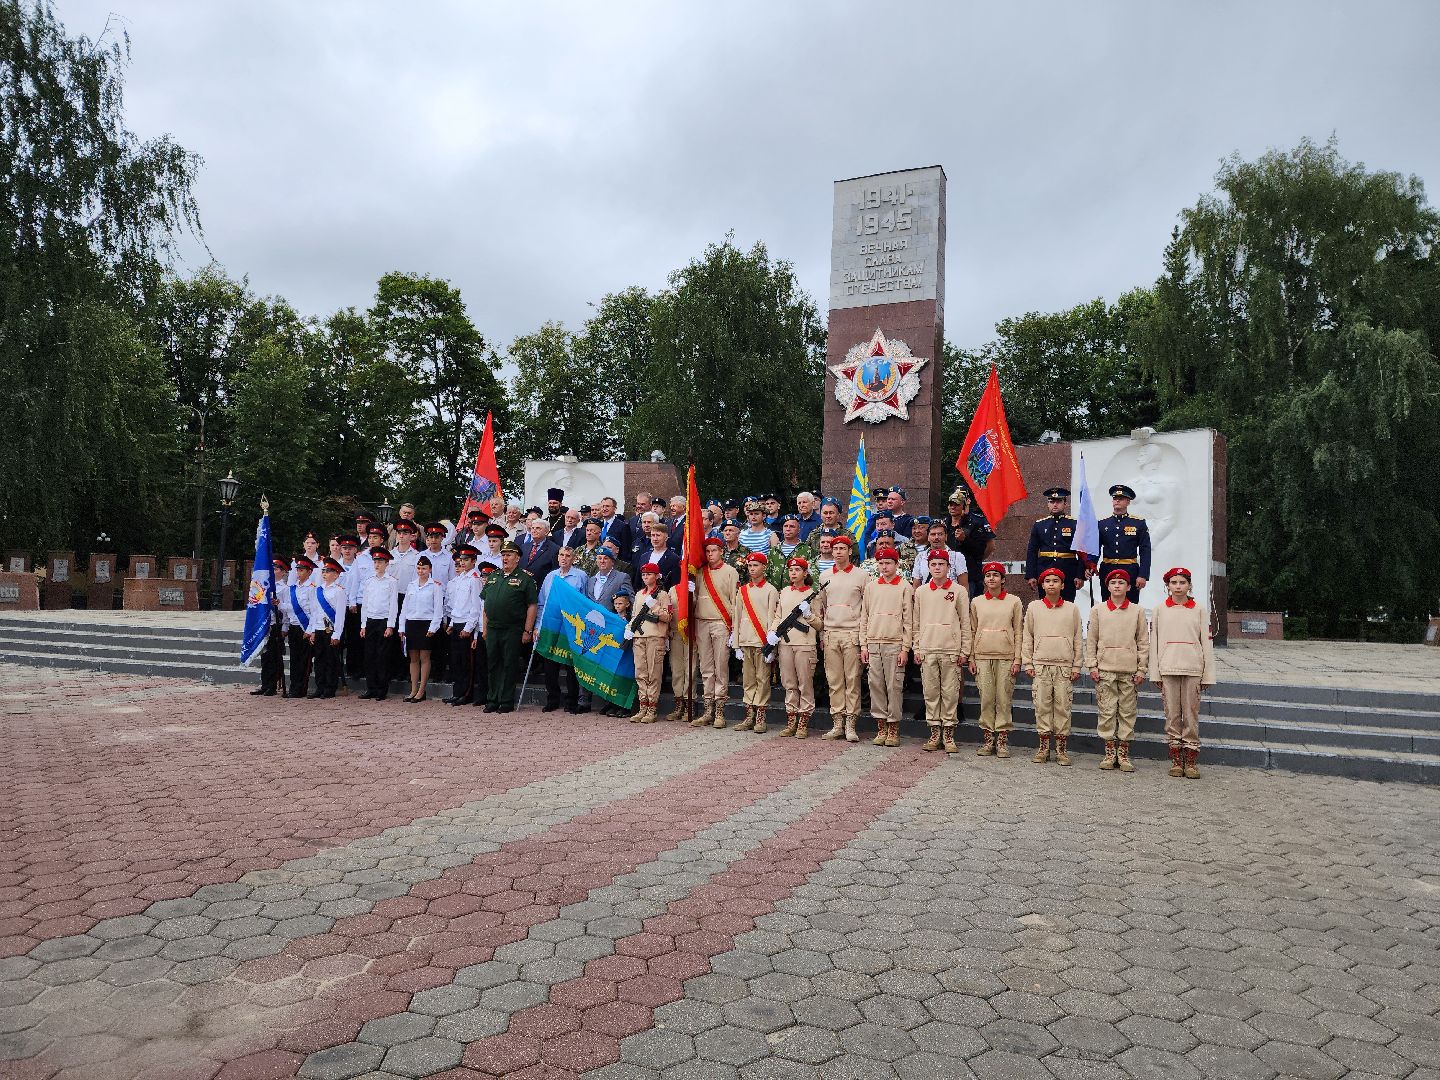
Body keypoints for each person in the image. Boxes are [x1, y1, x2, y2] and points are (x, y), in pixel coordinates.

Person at [1149, 567, 1216, 779]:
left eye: (1182, 583)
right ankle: (1176, 759)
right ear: (1167, 586)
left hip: (1193, 668)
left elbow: (1206, 643)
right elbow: (1155, 642)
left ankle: (1191, 759)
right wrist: (1155, 673)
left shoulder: (1199, 610)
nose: (1178, 587)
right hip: (1168, 667)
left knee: (1191, 714)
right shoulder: (1160, 609)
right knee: (1172, 715)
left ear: (1189, 585)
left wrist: (1207, 674)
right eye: (1174, 583)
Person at [1086, 568, 1148, 773]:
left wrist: (1141, 669)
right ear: (1108, 586)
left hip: (1129, 670)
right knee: (1107, 710)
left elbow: (1142, 642)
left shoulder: (1137, 611)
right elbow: (1092, 640)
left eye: (1122, 582)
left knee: (1128, 712)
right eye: (1113, 583)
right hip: (1105, 669)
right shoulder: (1098, 610)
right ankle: (1109, 752)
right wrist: (1092, 665)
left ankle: (1124, 754)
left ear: (1129, 587)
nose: (1117, 586)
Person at [912, 552, 973, 754]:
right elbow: (916, 622)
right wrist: (917, 647)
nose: (937, 567)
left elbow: (966, 622)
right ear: (928, 567)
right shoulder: (921, 592)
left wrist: (965, 650)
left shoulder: (958, 591)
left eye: (941, 564)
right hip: (928, 649)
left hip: (950, 650)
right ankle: (934, 733)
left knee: (950, 693)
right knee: (930, 693)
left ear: (948, 567)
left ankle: (948, 734)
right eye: (933, 564)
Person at [1022, 566, 1084, 766]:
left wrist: (1076, 666)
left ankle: (1061, 750)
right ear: (1042, 585)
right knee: (1042, 706)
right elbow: (1027, 636)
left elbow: (1077, 638)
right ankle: (1043, 748)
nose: (1051, 584)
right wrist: (1028, 661)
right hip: (1040, 664)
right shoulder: (1033, 607)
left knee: (1063, 707)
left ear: (1062, 585)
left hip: (1064, 666)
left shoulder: (1072, 608)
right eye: (1047, 581)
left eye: (1055, 581)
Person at [815, 534, 869, 743]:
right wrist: (822, 633)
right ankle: (837, 722)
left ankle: (851, 724)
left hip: (852, 633)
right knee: (834, 680)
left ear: (849, 551)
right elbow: (823, 607)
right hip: (831, 633)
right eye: (834, 548)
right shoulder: (824, 576)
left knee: (852, 680)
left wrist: (862, 638)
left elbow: (866, 608)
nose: (837, 552)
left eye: (841, 548)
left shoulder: (861, 576)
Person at [860, 546, 912, 748]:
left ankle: (893, 727)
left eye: (888, 563)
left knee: (894, 686)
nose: (884, 567)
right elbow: (864, 617)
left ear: (896, 564)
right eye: (880, 563)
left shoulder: (905, 587)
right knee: (876, 686)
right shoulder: (871, 587)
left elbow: (908, 621)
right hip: (874, 643)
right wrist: (864, 645)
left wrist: (905, 648)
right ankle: (880, 726)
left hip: (894, 644)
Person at [970, 562, 1023, 758]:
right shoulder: (976, 602)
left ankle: (1002, 741)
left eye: (996, 575)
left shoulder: (1014, 602)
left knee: (1003, 699)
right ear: (984, 580)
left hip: (1006, 656)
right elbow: (972, 630)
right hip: (983, 656)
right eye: (988, 575)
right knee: (986, 699)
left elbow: (1018, 631)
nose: (991, 578)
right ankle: (987, 739)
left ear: (1003, 579)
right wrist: (971, 657)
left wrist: (1018, 659)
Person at [767, 557, 822, 739]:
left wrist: (809, 615)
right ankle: (791, 720)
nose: (793, 573)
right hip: (786, 643)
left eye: (798, 570)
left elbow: (820, 624)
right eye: (791, 570)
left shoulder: (813, 594)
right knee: (789, 683)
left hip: (805, 644)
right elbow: (779, 615)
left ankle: (803, 721)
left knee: (804, 683)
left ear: (805, 573)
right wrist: (773, 632)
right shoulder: (784, 592)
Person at [481, 541, 538, 713]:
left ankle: (505, 701)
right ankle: (492, 699)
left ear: (517, 558)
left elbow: (532, 606)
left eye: (509, 555)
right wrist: (485, 628)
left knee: (509, 664)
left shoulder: (525, 579)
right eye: (503, 555)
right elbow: (486, 605)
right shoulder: (493, 577)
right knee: (492, 664)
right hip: (493, 628)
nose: (505, 558)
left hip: (513, 628)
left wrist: (527, 630)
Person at [694, 536, 738, 728]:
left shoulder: (731, 572)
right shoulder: (699, 572)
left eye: (714, 550)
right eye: (708, 551)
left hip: (721, 622)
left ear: (721, 551)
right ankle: (707, 709)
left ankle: (720, 710)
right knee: (706, 668)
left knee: (721, 666)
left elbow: (735, 603)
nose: (710, 554)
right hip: (701, 621)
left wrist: (734, 628)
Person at [733, 552, 779, 733]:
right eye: (750, 566)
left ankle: (761, 717)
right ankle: (749, 715)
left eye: (756, 566)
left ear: (764, 567)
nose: (752, 569)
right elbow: (737, 616)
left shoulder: (770, 590)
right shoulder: (743, 590)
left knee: (763, 679)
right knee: (748, 679)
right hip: (746, 639)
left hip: (762, 642)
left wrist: (771, 646)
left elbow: (772, 617)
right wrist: (736, 644)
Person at [538, 546, 587, 713]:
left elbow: (585, 602)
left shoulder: (581, 576)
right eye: (561, 555)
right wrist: (538, 626)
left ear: (573, 559)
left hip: (571, 627)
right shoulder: (550, 576)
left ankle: (571, 700)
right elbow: (541, 603)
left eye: (567, 556)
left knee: (570, 665)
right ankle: (552, 698)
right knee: (550, 664)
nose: (564, 558)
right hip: (551, 625)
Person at [627, 562, 673, 724]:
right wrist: (629, 627)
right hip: (639, 636)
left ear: (656, 576)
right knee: (641, 673)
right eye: (644, 575)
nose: (646, 577)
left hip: (655, 636)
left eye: (649, 574)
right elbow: (634, 615)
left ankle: (652, 708)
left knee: (653, 673)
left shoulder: (662, 595)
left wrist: (655, 607)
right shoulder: (639, 594)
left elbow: (668, 617)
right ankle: (643, 706)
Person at [1094, 484, 1151, 604]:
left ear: (1128, 501)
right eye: (1115, 498)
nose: (1117, 500)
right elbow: (1096, 548)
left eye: (1121, 498)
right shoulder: (1102, 524)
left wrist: (1143, 575)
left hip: (1130, 570)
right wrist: (1091, 565)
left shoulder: (1138, 523)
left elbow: (1145, 550)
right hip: (1107, 569)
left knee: (1130, 604)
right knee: (1107, 604)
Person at [1025, 488, 1083, 603]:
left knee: (1067, 604)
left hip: (1068, 571)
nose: (1055, 505)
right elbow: (1032, 551)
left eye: (1058, 501)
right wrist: (1031, 575)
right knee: (1046, 605)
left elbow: (1081, 551)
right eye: (1051, 502)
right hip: (1045, 571)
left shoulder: (1075, 524)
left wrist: (1080, 575)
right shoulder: (1039, 525)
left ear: (1065, 504)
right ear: (1048, 504)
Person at [443, 545, 483, 706]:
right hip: (457, 621)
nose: (463, 563)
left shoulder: (474, 580)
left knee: (467, 662)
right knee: (456, 661)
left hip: (467, 624)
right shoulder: (459, 579)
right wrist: (452, 622)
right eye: (462, 560)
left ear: (474, 561)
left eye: (467, 560)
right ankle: (457, 692)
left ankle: (466, 693)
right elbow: (456, 605)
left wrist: (468, 628)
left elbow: (475, 606)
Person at [357, 548, 399, 701]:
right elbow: (365, 604)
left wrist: (390, 625)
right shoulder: (369, 581)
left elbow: (393, 605)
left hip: (383, 621)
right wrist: (363, 625)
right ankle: (371, 688)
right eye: (375, 561)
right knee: (369, 656)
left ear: (387, 563)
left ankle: (382, 689)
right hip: (370, 621)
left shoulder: (392, 581)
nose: (377, 564)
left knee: (382, 656)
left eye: (380, 561)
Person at [944, 487, 996, 598]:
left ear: (967, 501)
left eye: (957, 503)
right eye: (950, 503)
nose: (953, 506)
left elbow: (988, 547)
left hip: (970, 573)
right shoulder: (944, 523)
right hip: (947, 573)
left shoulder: (977, 521)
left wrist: (974, 558)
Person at [309, 557, 348, 699]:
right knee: (319, 659)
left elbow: (340, 615)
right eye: (324, 571)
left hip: (331, 630)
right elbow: (315, 612)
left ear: (336, 574)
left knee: (331, 659)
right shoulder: (318, 590)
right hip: (319, 628)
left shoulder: (339, 591)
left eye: (329, 571)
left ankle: (330, 687)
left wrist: (337, 634)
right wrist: (312, 630)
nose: (325, 573)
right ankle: (320, 686)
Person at [252, 556, 290, 697]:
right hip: (264, 624)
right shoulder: (264, 585)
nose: (272, 571)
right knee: (265, 656)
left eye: (275, 569)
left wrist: (285, 627)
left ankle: (273, 685)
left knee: (275, 656)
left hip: (276, 625)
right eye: (272, 568)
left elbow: (286, 611)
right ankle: (265, 683)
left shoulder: (284, 589)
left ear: (283, 572)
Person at [286, 555, 321, 699]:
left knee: (304, 660)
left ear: (309, 572)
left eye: (302, 570)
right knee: (294, 659)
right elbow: (289, 608)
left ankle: (301, 688)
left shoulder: (312, 589)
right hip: (294, 626)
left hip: (305, 627)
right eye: (297, 569)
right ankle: (293, 686)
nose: (298, 572)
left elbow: (314, 611)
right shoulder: (292, 588)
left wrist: (310, 630)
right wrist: (278, 604)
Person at [765, 515, 813, 588]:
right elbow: (766, 573)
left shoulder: (806, 550)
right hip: (774, 593)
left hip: (796, 593)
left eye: (792, 526)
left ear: (799, 529)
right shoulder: (774, 550)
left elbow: (811, 575)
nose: (788, 529)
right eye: (785, 526)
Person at [911, 521, 965, 587]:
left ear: (946, 537)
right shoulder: (920, 557)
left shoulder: (957, 557)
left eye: (940, 534)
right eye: (933, 534)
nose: (936, 537)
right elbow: (916, 586)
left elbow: (964, 586)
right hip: (926, 596)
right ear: (928, 537)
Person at [633, 523, 681, 591]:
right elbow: (638, 582)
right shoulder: (644, 557)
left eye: (658, 535)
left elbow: (675, 584)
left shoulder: (674, 559)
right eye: (653, 535)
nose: (655, 539)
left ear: (666, 538)